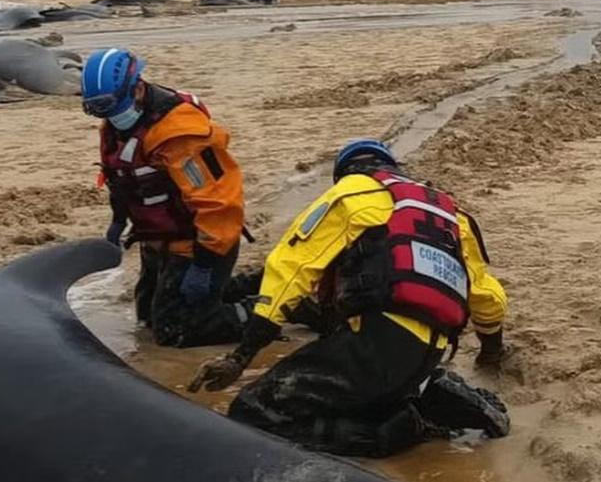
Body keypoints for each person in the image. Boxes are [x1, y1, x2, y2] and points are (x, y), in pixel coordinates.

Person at [188, 139, 510, 457]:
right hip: (428, 351)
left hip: (376, 343)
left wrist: (240, 357)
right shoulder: (451, 214)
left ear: (345, 172)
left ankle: (405, 427)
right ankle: (429, 392)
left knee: (254, 410)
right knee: (362, 390)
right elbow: (488, 297)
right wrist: (491, 352)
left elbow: (290, 268)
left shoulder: (351, 192)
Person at [82, 48, 250, 347]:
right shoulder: (115, 126)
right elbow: (120, 178)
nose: (107, 115)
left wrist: (204, 263)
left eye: (110, 106)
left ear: (138, 89)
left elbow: (218, 201)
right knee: (147, 317)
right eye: (96, 109)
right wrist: (118, 222)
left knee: (176, 331)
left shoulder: (179, 135)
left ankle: (268, 312)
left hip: (200, 241)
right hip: (158, 237)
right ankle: (235, 290)